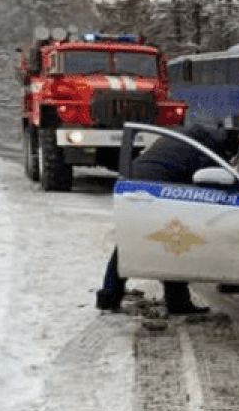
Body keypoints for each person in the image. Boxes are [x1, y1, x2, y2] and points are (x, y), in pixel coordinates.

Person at [95, 126, 228, 316]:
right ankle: (177, 301)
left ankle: (108, 296)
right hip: (160, 188)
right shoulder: (204, 151)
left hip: (133, 183)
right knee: (174, 243)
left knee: (128, 242)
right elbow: (207, 182)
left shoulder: (175, 138)